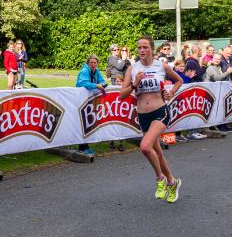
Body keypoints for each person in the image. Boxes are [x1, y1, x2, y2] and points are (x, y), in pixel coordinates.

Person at [120, 36, 183, 202]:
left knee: (145, 147)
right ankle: (172, 181)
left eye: (145, 47)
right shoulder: (132, 69)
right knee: (158, 153)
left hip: (160, 112)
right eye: (139, 47)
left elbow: (179, 80)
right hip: (143, 116)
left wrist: (171, 92)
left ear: (151, 49)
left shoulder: (160, 66)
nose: (141, 50)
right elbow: (122, 95)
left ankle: (160, 179)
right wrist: (134, 84)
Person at [76, 55, 107, 155]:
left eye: (95, 63)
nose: (93, 64)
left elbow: (102, 80)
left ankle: (85, 146)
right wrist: (96, 85)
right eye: (91, 63)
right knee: (82, 123)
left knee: (89, 122)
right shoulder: (84, 71)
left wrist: (101, 84)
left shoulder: (96, 71)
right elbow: (83, 83)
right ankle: (82, 147)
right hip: (80, 100)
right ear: (87, 63)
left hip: (89, 100)